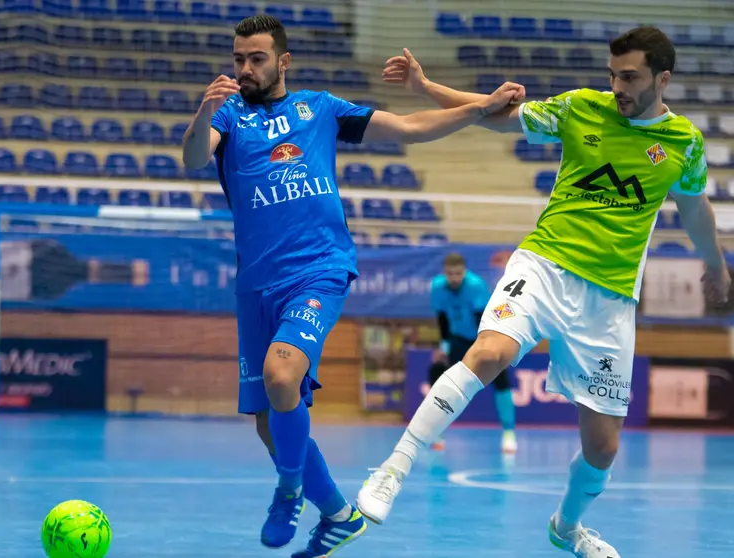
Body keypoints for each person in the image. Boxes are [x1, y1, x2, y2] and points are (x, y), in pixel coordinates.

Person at [356, 26, 730, 558]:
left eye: (630, 77)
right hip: (545, 264)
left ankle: (566, 528)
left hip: (610, 300)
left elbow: (694, 209)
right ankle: (393, 468)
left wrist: (714, 263)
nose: (618, 86)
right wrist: (426, 88)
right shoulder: (581, 108)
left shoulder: (683, 144)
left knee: (602, 447)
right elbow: (495, 115)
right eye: (613, 74)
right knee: (489, 353)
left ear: (661, 78)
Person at [181, 13, 523, 558]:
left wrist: (481, 107)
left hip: (319, 268)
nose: (245, 69)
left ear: (283, 61)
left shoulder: (320, 108)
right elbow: (194, 157)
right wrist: (202, 115)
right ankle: (339, 516)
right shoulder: (227, 114)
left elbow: (409, 128)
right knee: (272, 424)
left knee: (280, 373)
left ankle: (290, 490)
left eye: (257, 59)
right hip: (256, 284)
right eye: (239, 59)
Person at [428, 252, 517, 453]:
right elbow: (442, 318)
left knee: (501, 378)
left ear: (464, 272)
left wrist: (486, 347)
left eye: (458, 274)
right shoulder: (436, 287)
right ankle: (437, 431)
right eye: (450, 274)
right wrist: (444, 347)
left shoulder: (475, 285)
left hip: (483, 335)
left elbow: (483, 317)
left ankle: (509, 433)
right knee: (441, 377)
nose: (454, 278)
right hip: (458, 338)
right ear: (444, 273)